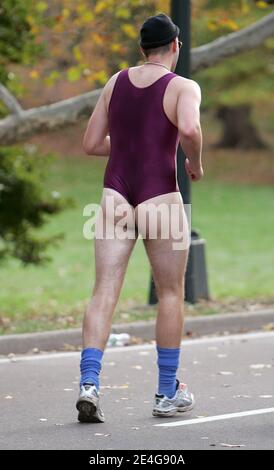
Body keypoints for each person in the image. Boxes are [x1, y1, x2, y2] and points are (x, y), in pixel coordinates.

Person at [76, 13, 203, 423]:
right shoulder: (183, 86)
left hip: (114, 196)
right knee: (170, 293)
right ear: (176, 47)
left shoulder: (116, 82)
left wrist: (130, 141)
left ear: (141, 49)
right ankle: (167, 393)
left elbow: (92, 144)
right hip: (160, 198)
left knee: (103, 291)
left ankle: (89, 385)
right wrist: (195, 164)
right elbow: (190, 128)